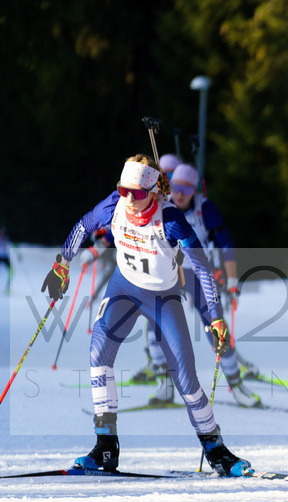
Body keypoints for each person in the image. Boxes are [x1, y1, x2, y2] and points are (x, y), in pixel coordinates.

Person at [41, 154, 252, 476]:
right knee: (98, 354)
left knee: (185, 377)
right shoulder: (114, 204)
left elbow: (203, 269)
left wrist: (217, 318)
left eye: (137, 194)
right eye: (123, 191)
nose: (129, 199)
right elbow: (84, 224)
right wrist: (62, 263)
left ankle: (217, 450)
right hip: (123, 289)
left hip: (163, 297)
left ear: (154, 191)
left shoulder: (171, 219)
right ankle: (105, 446)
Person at [143, 163, 260, 407]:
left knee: (217, 327)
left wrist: (232, 281)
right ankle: (164, 385)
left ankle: (236, 386)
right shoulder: (162, 205)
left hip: (199, 274)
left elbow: (225, 244)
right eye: (176, 188)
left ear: (195, 191)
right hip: (169, 274)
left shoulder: (205, 210)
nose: (181, 195)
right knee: (156, 327)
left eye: (187, 190)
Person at [0, 228, 11, 294]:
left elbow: (8, 247)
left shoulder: (6, 239)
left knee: (11, 271)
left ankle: (7, 286)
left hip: (5, 257)